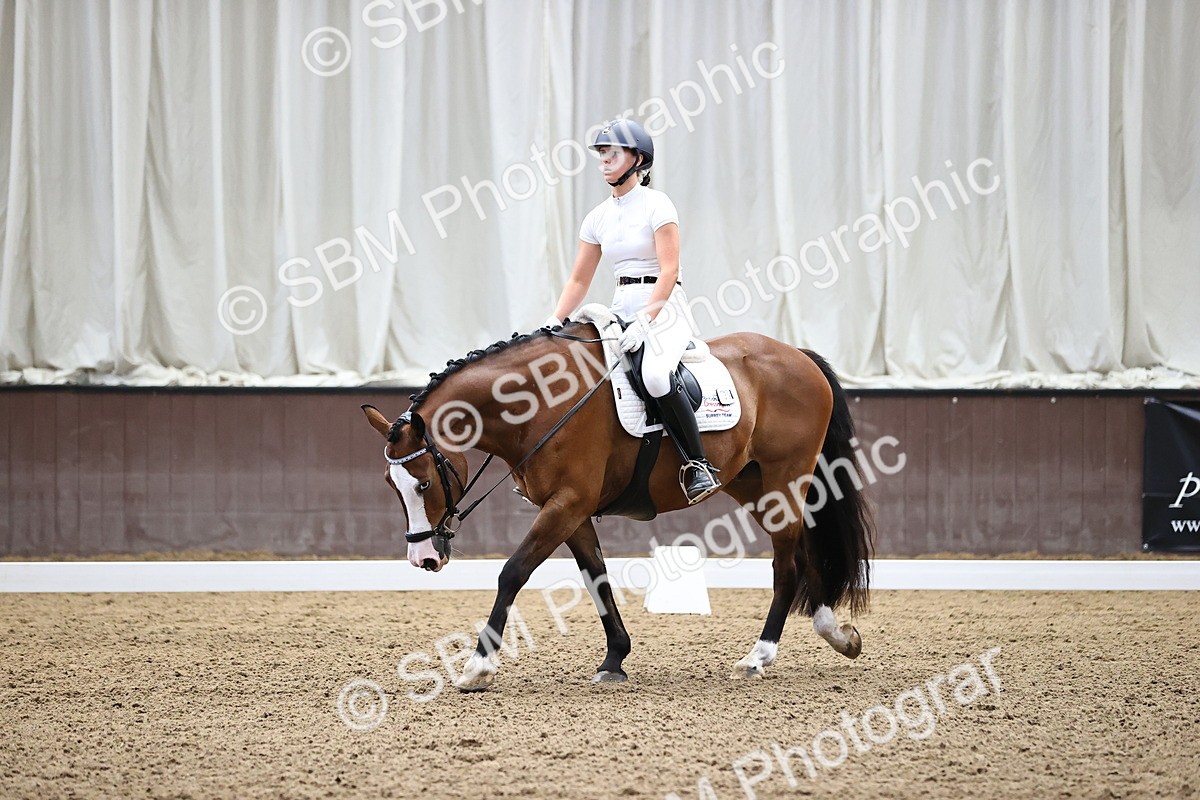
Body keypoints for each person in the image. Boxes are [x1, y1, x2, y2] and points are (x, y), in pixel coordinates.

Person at [545, 118, 720, 504]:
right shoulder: (597, 217)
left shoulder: (658, 204)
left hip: (664, 306)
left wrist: (646, 320)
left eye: (613, 153)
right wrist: (554, 320)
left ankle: (698, 464)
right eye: (601, 154)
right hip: (619, 306)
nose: (604, 161)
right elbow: (579, 280)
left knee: (656, 375)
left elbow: (670, 269)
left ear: (637, 159)